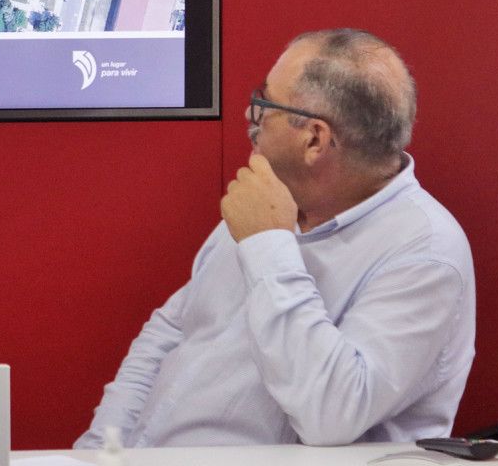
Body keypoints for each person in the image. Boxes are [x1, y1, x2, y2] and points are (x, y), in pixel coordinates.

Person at [75, 29, 475, 448]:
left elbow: (332, 414)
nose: (252, 117)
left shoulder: (426, 252)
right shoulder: (274, 195)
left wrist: (269, 244)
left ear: (314, 139)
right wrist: (103, 449)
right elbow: (171, 332)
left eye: (264, 103)